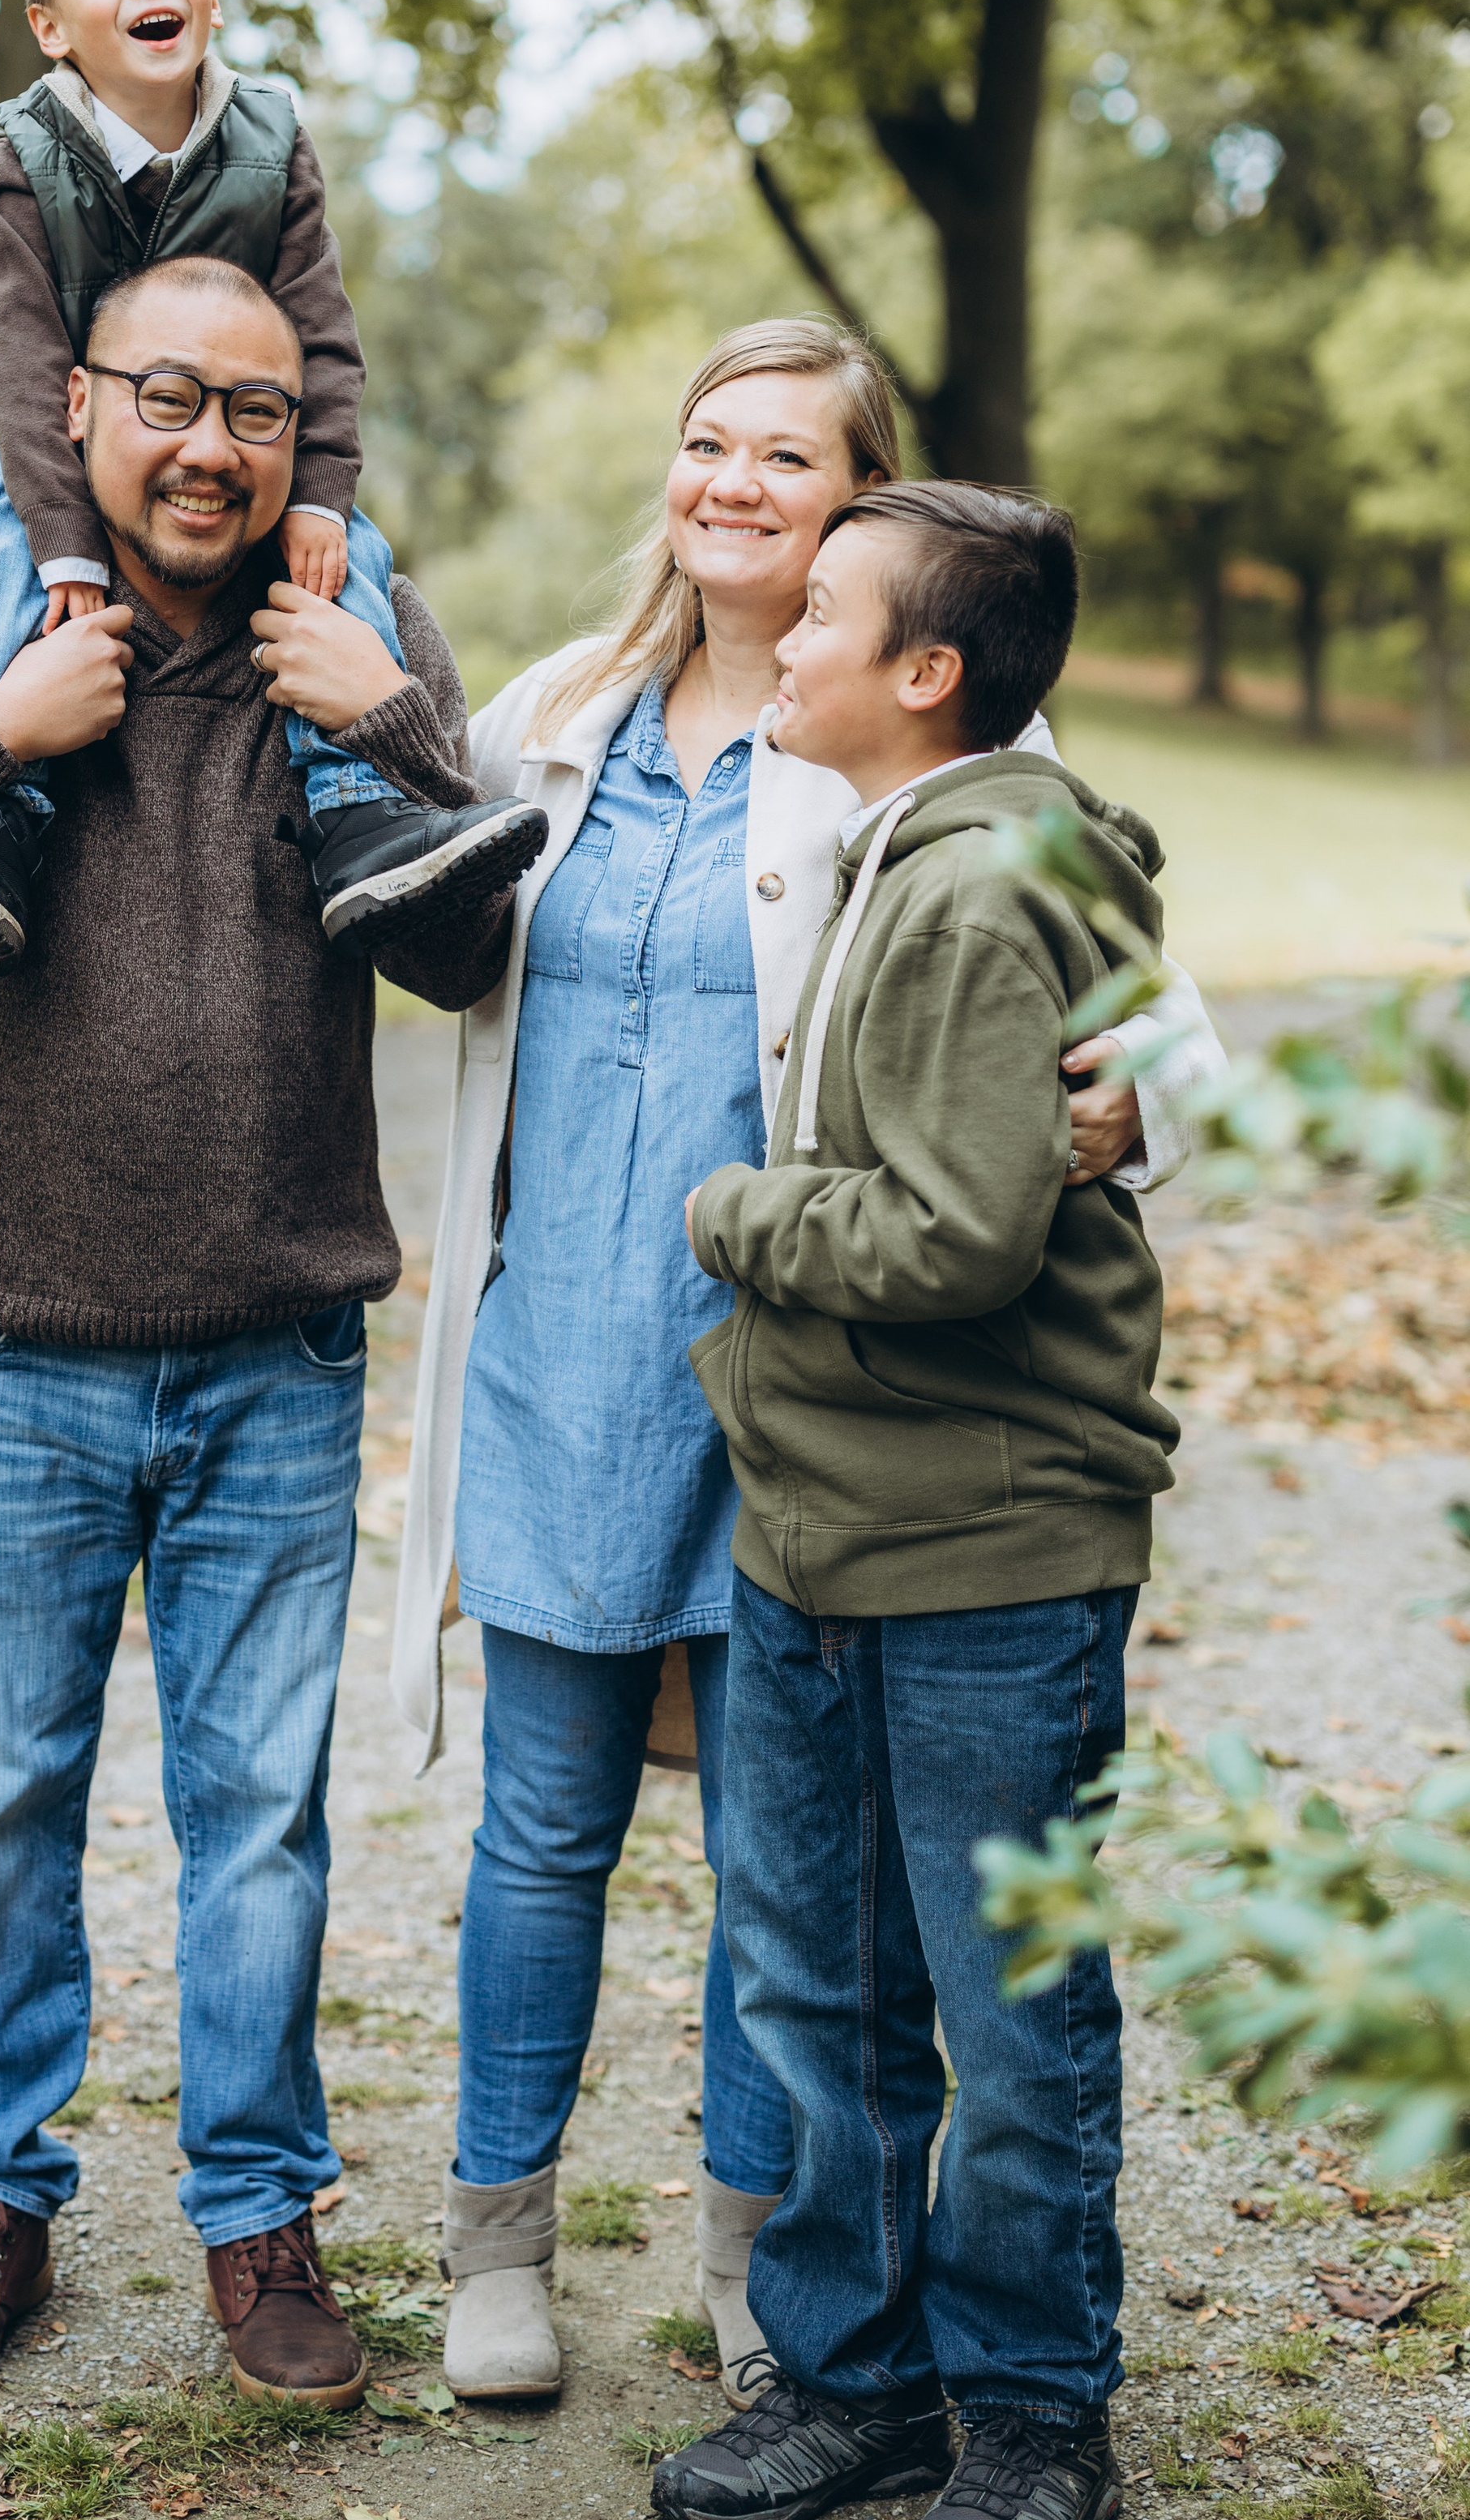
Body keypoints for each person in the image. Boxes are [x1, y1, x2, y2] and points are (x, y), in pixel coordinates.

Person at [392, 323, 1224, 2408]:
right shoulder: (549, 720)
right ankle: (497, 2239)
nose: (732, 485)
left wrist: (1135, 1098)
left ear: (861, 509)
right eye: (703, 444)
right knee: (539, 1826)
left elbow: (1147, 984)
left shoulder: (882, 746)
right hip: (563, 1352)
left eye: (787, 457)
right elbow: (415, 920)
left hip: (808, 1387)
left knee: (793, 1876)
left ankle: (767, 2250)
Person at [0, 255, 512, 2405]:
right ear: (78, 403)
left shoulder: (347, 624)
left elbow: (476, 941)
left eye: (260, 411)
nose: (213, 447)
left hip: (277, 1345)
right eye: (171, 398)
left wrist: (396, 721)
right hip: (9, 1344)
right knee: (3, 1805)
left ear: (297, 436)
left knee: (258, 1817)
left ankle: (262, 2222)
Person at [650, 481, 1171, 2520]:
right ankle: (851, 2377)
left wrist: (731, 1212)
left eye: (823, 616)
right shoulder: (910, 845)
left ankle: (1034, 2416)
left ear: (923, 673)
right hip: (817, 1520)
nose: (781, 632)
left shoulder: (969, 889)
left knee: (1006, 2001)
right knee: (819, 1977)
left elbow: (957, 1236)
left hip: (984, 1544)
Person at [0, 0, 542, 981]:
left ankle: (359, 813)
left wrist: (316, 496)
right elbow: (18, 367)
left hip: (278, 484)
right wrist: (61, 542)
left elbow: (320, 336)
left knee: (343, 562)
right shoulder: (19, 158)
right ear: (52, 27)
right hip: (43, 459)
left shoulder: (271, 139)